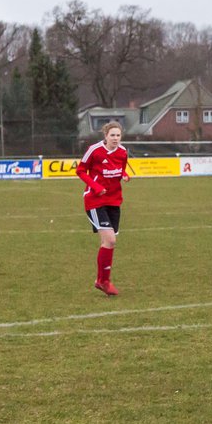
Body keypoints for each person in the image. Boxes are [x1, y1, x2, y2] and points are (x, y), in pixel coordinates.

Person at [77, 121, 129, 296]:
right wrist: (96, 187)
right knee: (110, 240)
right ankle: (104, 281)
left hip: (114, 201)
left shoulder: (122, 152)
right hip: (95, 200)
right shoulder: (95, 150)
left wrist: (125, 175)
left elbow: (120, 169)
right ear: (105, 136)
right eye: (112, 135)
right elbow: (81, 170)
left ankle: (101, 280)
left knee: (108, 242)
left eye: (118, 135)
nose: (115, 138)